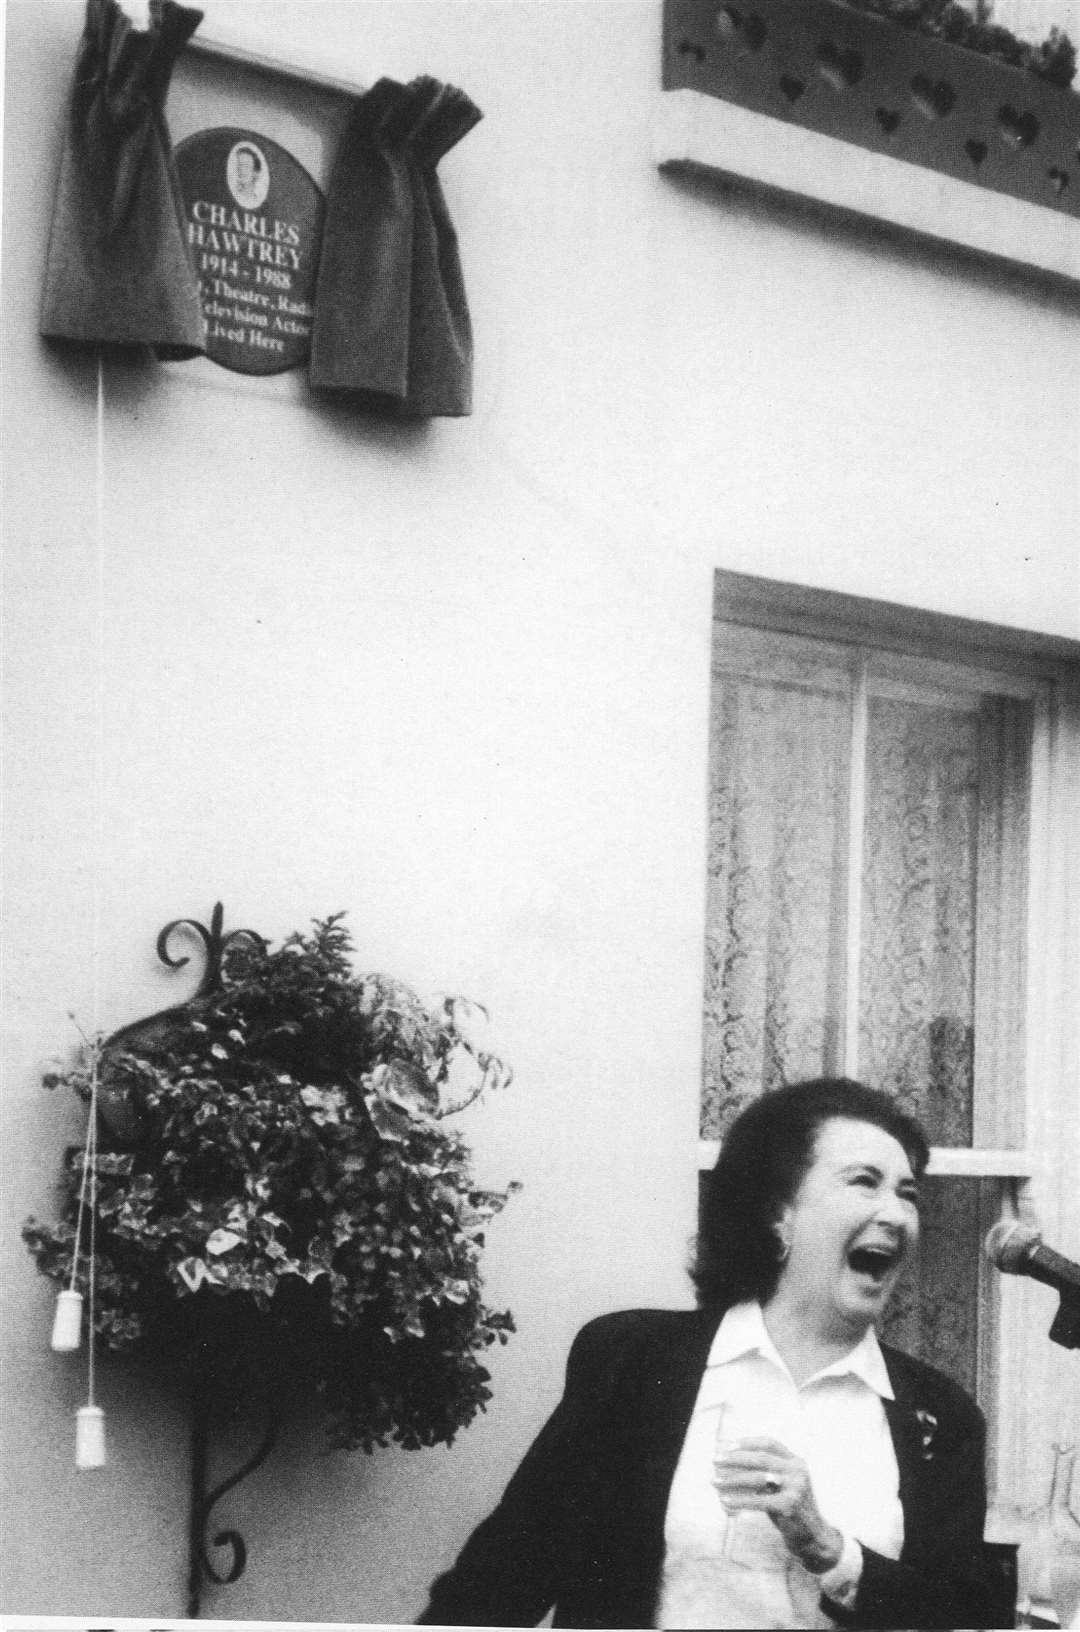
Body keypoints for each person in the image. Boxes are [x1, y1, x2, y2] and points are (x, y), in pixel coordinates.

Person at [418, 1078, 1002, 1629]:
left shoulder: (942, 1415)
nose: (896, 1213)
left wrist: (827, 1548)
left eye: (908, 1194)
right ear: (780, 1214)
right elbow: (501, 1580)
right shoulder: (633, 1363)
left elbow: (962, 1616)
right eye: (863, 1181)